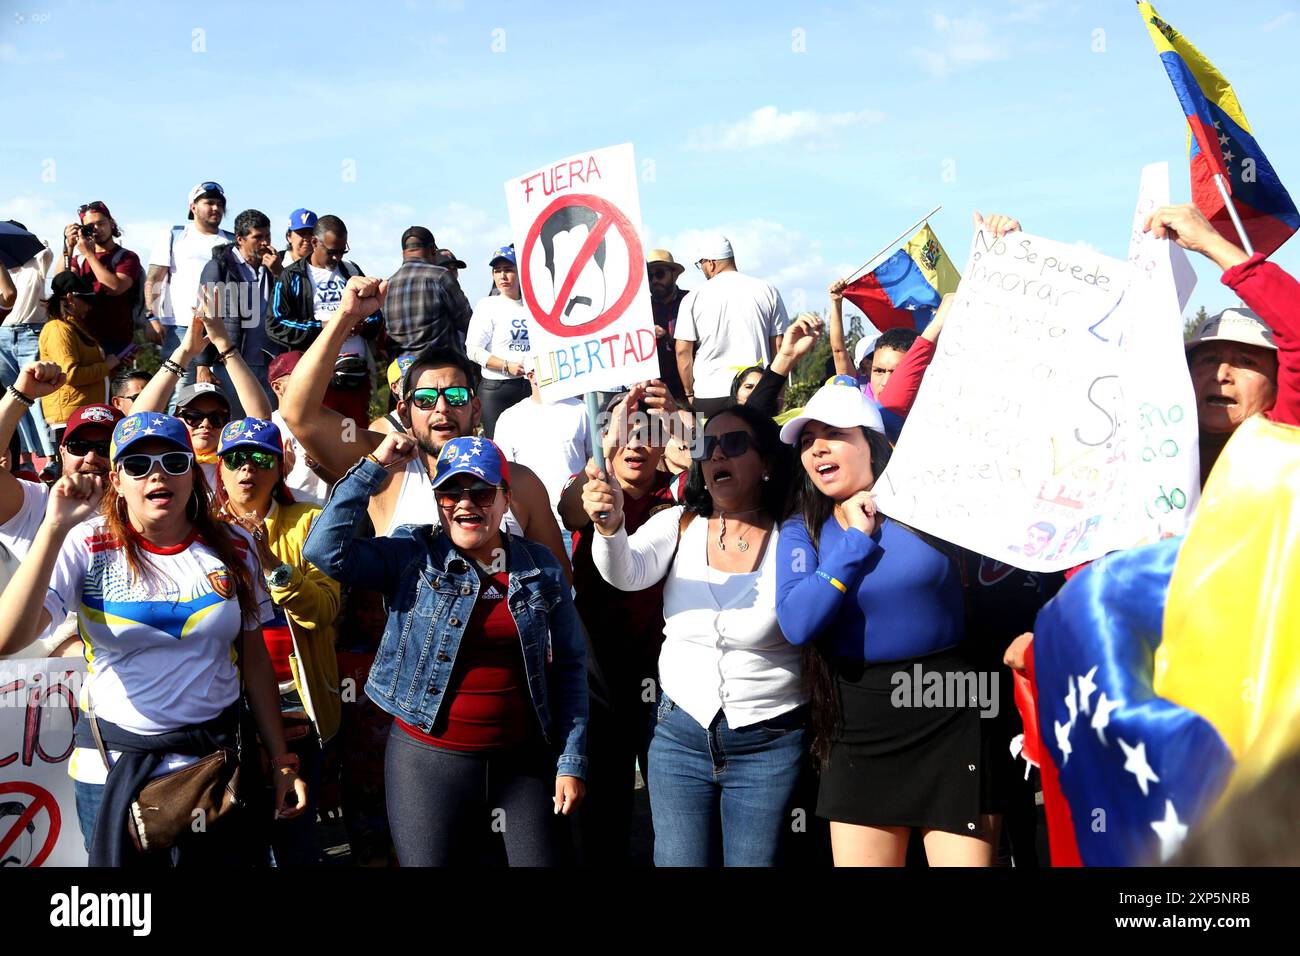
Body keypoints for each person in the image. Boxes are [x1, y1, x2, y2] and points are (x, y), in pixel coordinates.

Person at [0, 411, 307, 866]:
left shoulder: (235, 544)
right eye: (138, 465)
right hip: (112, 772)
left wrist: (281, 761)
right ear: (117, 480)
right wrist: (52, 527)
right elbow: (7, 638)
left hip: (214, 771)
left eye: (173, 462)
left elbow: (255, 658)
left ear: (194, 474)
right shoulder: (85, 542)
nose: (157, 474)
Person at [302, 433, 588, 866]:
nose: (465, 503)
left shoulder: (540, 566)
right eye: (451, 491)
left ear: (506, 499)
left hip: (522, 762)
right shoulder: (412, 556)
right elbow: (324, 551)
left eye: (481, 491)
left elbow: (569, 666)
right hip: (426, 765)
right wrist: (373, 466)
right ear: (438, 501)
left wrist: (570, 761)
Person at [775, 379, 993, 867]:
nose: (817, 448)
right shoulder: (801, 528)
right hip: (858, 723)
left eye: (834, 433)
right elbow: (797, 622)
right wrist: (855, 542)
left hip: (952, 708)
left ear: (872, 444)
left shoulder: (933, 506)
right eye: (808, 441)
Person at [584, 401, 804, 866]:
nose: (718, 453)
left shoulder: (798, 537)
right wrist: (610, 526)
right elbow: (626, 572)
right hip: (678, 736)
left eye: (735, 443)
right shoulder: (678, 521)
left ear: (766, 462)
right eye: (708, 444)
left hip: (769, 742)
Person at [278, 276, 571, 575]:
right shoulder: (389, 475)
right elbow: (297, 413)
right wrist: (345, 318)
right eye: (426, 399)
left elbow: (559, 586)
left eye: (456, 396)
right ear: (404, 414)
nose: (442, 408)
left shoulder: (520, 484)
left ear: (476, 409)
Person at [558, 385, 684, 865]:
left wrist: (678, 420)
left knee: (671, 805)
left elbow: (722, 475)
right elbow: (573, 506)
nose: (636, 445)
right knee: (602, 808)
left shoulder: (678, 496)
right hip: (596, 670)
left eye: (649, 434)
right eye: (626, 433)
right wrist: (602, 458)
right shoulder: (590, 485)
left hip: (662, 668)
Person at [212, 416, 341, 865]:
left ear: (280, 468)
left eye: (261, 458)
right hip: (222, 707)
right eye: (236, 459)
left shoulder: (310, 521)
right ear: (220, 468)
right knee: (232, 837)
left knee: (296, 835)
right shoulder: (200, 530)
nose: (248, 469)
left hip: (296, 701)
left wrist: (267, 559)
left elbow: (324, 611)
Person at [133, 312, 273, 488]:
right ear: (176, 420)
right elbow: (134, 423)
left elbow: (261, 420)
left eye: (217, 418)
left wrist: (225, 345)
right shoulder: (160, 462)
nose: (205, 424)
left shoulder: (237, 463)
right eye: (193, 416)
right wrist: (183, 353)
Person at [268, 214, 380, 424]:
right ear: (314, 243)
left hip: (355, 375)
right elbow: (275, 324)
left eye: (341, 251)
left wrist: (362, 326)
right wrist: (325, 327)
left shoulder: (351, 270)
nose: (337, 257)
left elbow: (377, 315)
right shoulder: (293, 276)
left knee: (352, 436)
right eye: (331, 252)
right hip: (317, 376)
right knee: (321, 437)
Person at [674, 234, 789, 419]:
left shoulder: (693, 298)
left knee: (711, 446)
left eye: (701, 265)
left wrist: (689, 393)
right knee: (758, 446)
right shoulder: (767, 290)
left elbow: (682, 351)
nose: (702, 270)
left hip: (709, 392)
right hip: (757, 390)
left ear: (711, 263)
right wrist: (778, 389)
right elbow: (779, 346)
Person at [145, 182, 234, 391]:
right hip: (180, 326)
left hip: (220, 328)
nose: (216, 208)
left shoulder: (231, 241)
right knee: (178, 390)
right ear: (193, 207)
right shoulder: (175, 235)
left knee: (219, 391)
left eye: (220, 204)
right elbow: (154, 278)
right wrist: (152, 317)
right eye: (209, 202)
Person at [492, 355, 588, 539]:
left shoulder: (582, 410)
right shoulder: (509, 418)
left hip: (578, 523)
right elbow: (504, 474)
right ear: (530, 375)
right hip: (531, 528)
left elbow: (596, 461)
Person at [198, 208, 283, 407]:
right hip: (232, 363)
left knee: (267, 426)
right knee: (236, 426)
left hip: (270, 363)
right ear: (240, 239)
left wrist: (279, 274)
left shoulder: (273, 266)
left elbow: (291, 303)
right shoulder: (219, 267)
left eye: (268, 236)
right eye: (258, 237)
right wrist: (202, 365)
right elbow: (205, 314)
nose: (265, 242)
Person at [38, 272, 131, 445]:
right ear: (70, 298)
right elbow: (70, 374)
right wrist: (106, 366)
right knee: (70, 470)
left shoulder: (74, 327)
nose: (89, 307)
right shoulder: (58, 330)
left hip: (83, 414)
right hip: (68, 418)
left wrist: (113, 368)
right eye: (86, 301)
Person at [53, 201, 142, 355]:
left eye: (101, 223)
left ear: (111, 223)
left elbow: (115, 287)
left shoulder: (127, 257)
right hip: (83, 337)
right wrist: (69, 246)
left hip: (116, 340)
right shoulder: (80, 259)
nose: (96, 229)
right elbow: (60, 283)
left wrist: (89, 254)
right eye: (90, 226)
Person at [0, 236, 57, 459]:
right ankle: (25, 458)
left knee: (37, 397)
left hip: (31, 332)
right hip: (3, 333)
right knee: (12, 398)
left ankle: (51, 456)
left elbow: (46, 251)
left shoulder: (36, 262)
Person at [465, 245, 529, 438]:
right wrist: (506, 365)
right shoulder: (488, 305)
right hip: (498, 389)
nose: (502, 276)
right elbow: (473, 350)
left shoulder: (533, 306)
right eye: (497, 271)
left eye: (508, 270)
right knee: (501, 449)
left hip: (531, 387)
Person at [384, 226, 472, 357]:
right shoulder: (440, 276)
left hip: (401, 369)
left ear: (403, 253)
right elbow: (467, 322)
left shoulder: (387, 284)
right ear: (432, 250)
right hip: (439, 366)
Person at [267, 351, 331, 506]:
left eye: (315, 374)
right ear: (278, 387)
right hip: (285, 522)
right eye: (301, 377)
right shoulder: (267, 427)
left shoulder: (336, 423)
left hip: (328, 519)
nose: (312, 381)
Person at [647, 248, 688, 400]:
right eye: (650, 276)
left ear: (674, 275)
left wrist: (667, 337)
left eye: (660, 274)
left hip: (687, 391)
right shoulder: (641, 308)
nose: (655, 280)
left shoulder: (690, 301)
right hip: (653, 391)